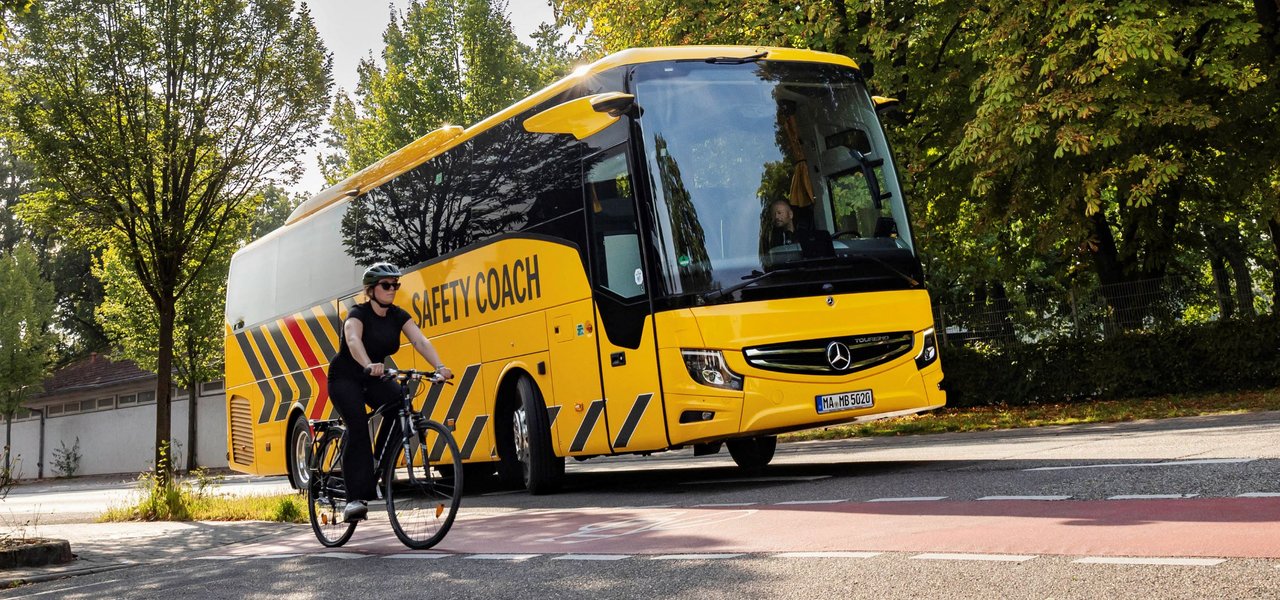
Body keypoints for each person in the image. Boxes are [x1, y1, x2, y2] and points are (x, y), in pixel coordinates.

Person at [326, 262, 455, 523]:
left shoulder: (397, 315)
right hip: (346, 378)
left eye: (396, 285)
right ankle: (354, 499)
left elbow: (420, 340)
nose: (392, 289)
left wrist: (439, 367)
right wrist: (367, 364)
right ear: (371, 290)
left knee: (401, 406)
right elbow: (353, 340)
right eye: (386, 285)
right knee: (358, 426)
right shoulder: (358, 314)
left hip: (376, 376)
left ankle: (376, 463)